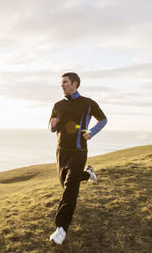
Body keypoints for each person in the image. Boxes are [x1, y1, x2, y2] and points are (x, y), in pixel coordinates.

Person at [49, 72, 107, 245]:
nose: (63, 85)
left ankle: (61, 229)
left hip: (78, 151)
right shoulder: (58, 105)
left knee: (70, 191)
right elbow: (52, 126)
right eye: (62, 83)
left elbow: (103, 120)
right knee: (66, 184)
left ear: (75, 83)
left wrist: (91, 132)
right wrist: (52, 125)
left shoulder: (88, 103)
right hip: (61, 151)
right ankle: (88, 174)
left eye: (65, 82)